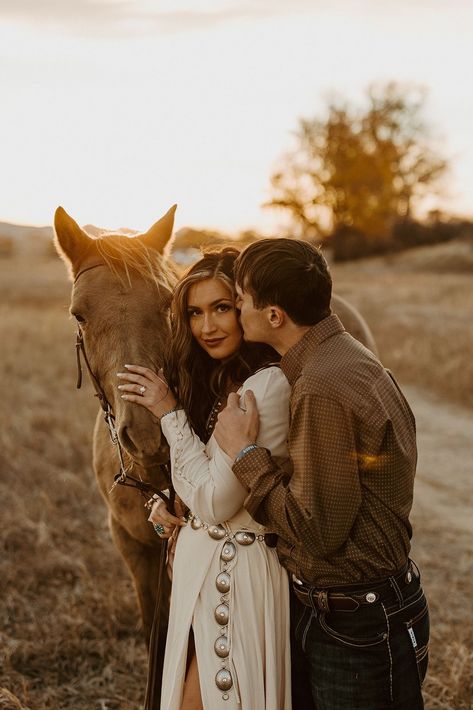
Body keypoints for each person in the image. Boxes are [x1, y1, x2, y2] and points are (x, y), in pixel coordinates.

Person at [213, 238, 430, 710]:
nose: (236, 307)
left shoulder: (319, 387)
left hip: (356, 626)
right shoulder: (343, 354)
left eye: (242, 298)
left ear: (274, 316)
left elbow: (318, 530)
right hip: (368, 612)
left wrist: (245, 452)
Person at [117, 248, 292, 710]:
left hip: (236, 581)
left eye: (221, 309)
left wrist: (167, 412)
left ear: (246, 308)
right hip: (205, 574)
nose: (207, 327)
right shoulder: (212, 382)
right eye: (194, 313)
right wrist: (172, 511)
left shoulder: (264, 388)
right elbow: (200, 487)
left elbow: (217, 503)